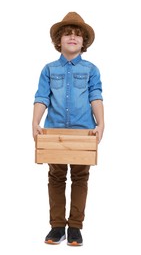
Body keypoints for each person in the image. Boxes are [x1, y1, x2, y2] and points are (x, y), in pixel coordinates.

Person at [32, 12, 104, 246]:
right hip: (54, 133)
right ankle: (56, 226)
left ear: (84, 42)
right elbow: (42, 97)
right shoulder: (49, 69)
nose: (72, 37)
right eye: (67, 34)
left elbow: (96, 96)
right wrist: (35, 122)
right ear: (58, 41)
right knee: (56, 177)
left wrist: (101, 123)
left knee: (81, 177)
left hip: (84, 132)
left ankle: (75, 227)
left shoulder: (92, 69)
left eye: (77, 35)